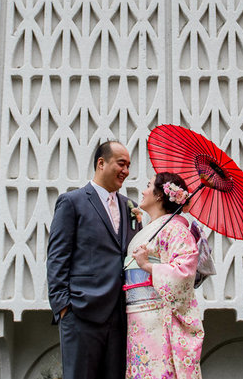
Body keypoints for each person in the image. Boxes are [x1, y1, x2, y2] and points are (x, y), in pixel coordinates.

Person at [47, 140, 140, 379]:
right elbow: (57, 257)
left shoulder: (131, 207)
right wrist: (64, 307)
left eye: (129, 165)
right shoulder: (72, 202)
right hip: (81, 312)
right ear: (101, 163)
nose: (126, 171)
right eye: (121, 163)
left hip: (120, 317)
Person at [124, 172, 204, 379]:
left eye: (148, 185)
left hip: (158, 317)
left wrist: (147, 266)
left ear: (160, 195)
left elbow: (184, 271)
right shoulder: (152, 228)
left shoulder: (176, 229)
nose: (143, 191)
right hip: (137, 316)